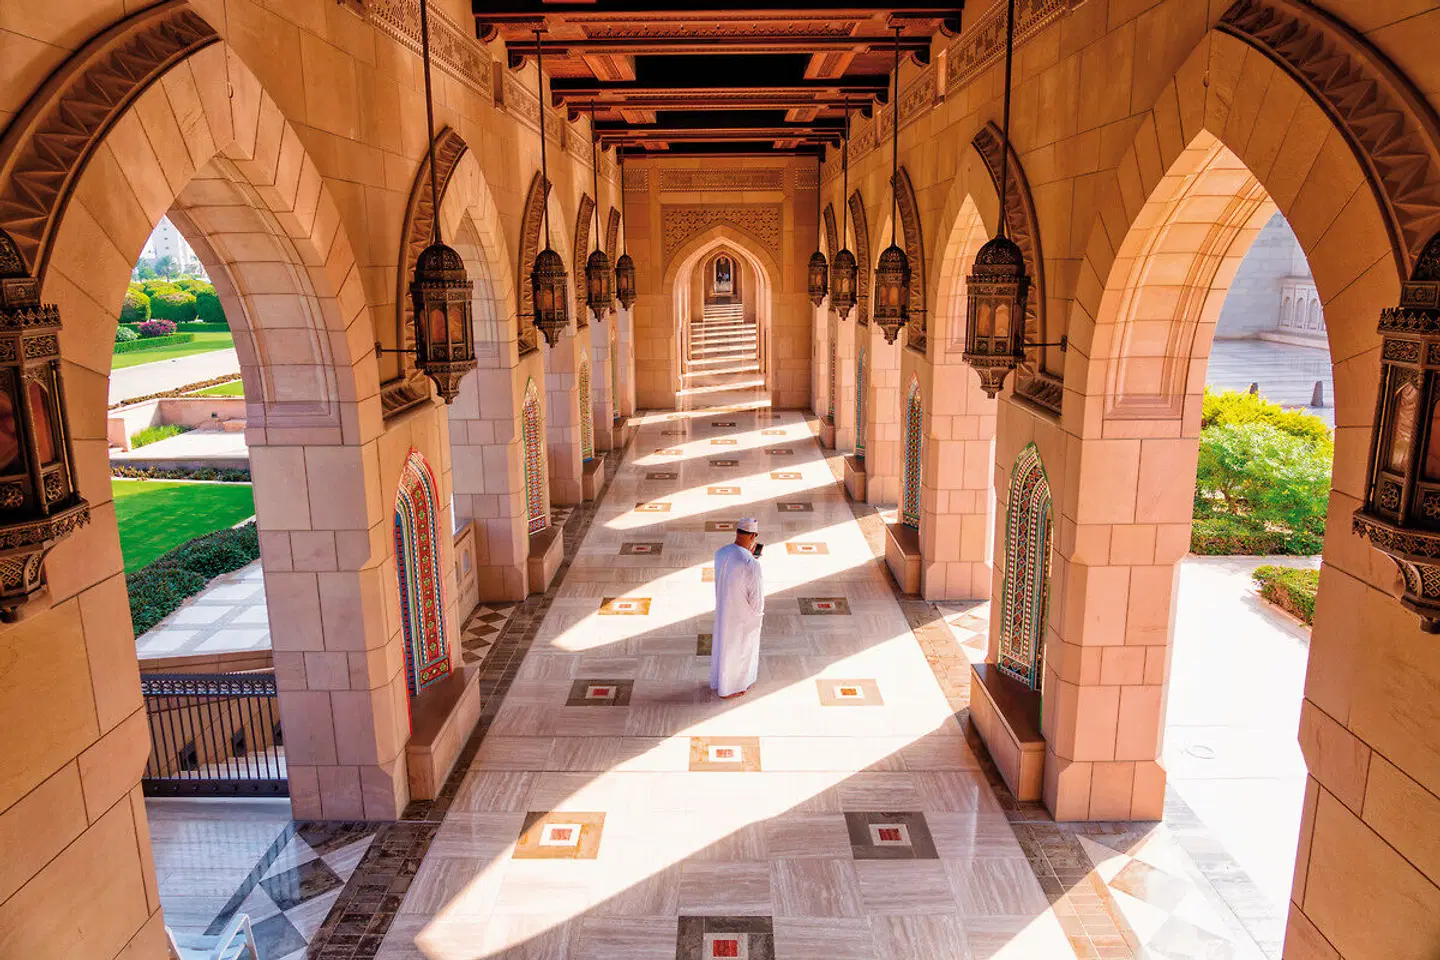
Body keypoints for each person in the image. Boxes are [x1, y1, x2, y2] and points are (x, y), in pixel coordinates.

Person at [710, 517, 764, 699]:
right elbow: (756, 599)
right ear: (753, 536)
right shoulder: (750, 564)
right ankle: (732, 688)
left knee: (724, 646)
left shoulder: (720, 553)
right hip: (742, 614)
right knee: (740, 650)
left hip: (724, 609)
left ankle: (721, 683)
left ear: (738, 532)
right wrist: (756, 616)